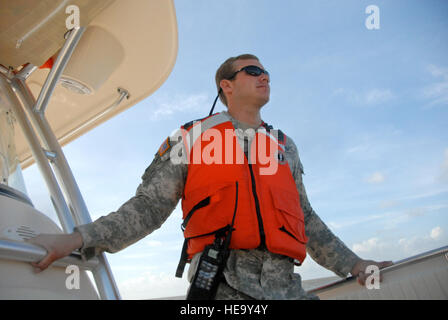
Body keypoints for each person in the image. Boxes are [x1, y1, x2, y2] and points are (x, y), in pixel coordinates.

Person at [29, 54, 392, 299]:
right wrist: (78, 238)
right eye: (252, 71)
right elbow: (148, 208)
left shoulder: (285, 146)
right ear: (226, 86)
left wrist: (356, 264)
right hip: (221, 287)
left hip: (286, 287)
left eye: (265, 71)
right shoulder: (189, 138)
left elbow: (307, 220)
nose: (264, 75)